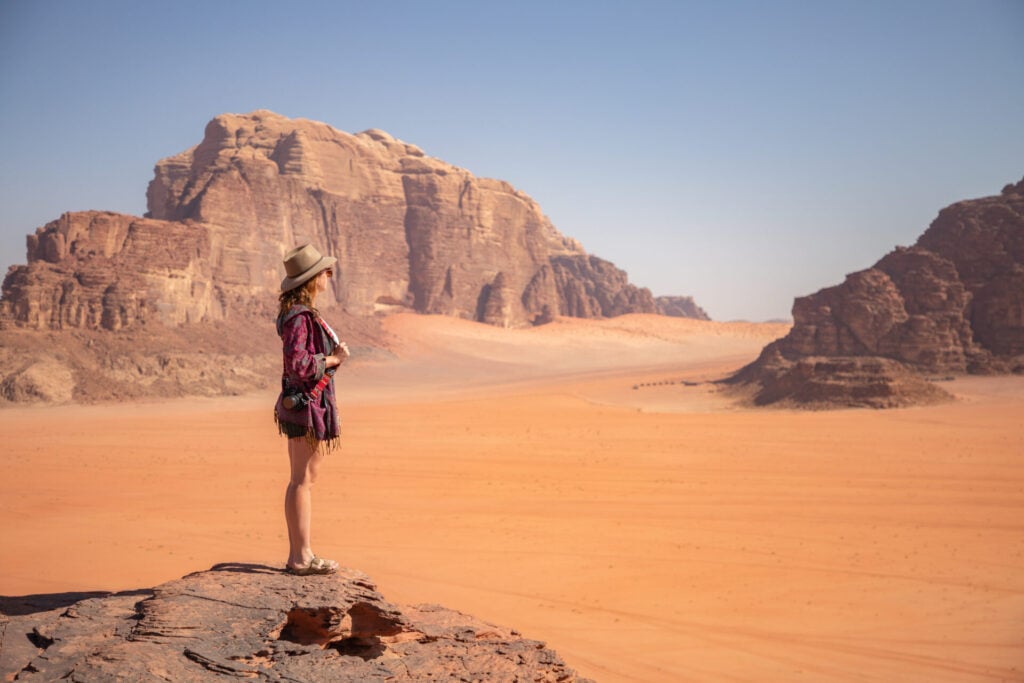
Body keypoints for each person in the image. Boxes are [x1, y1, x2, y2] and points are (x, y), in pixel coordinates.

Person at [274, 244, 350, 576]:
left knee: (307, 478)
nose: (328, 277)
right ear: (311, 279)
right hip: (304, 407)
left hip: (310, 405)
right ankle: (300, 557)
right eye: (325, 273)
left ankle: (302, 553)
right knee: (300, 480)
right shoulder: (299, 318)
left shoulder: (304, 315)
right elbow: (301, 364)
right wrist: (333, 359)